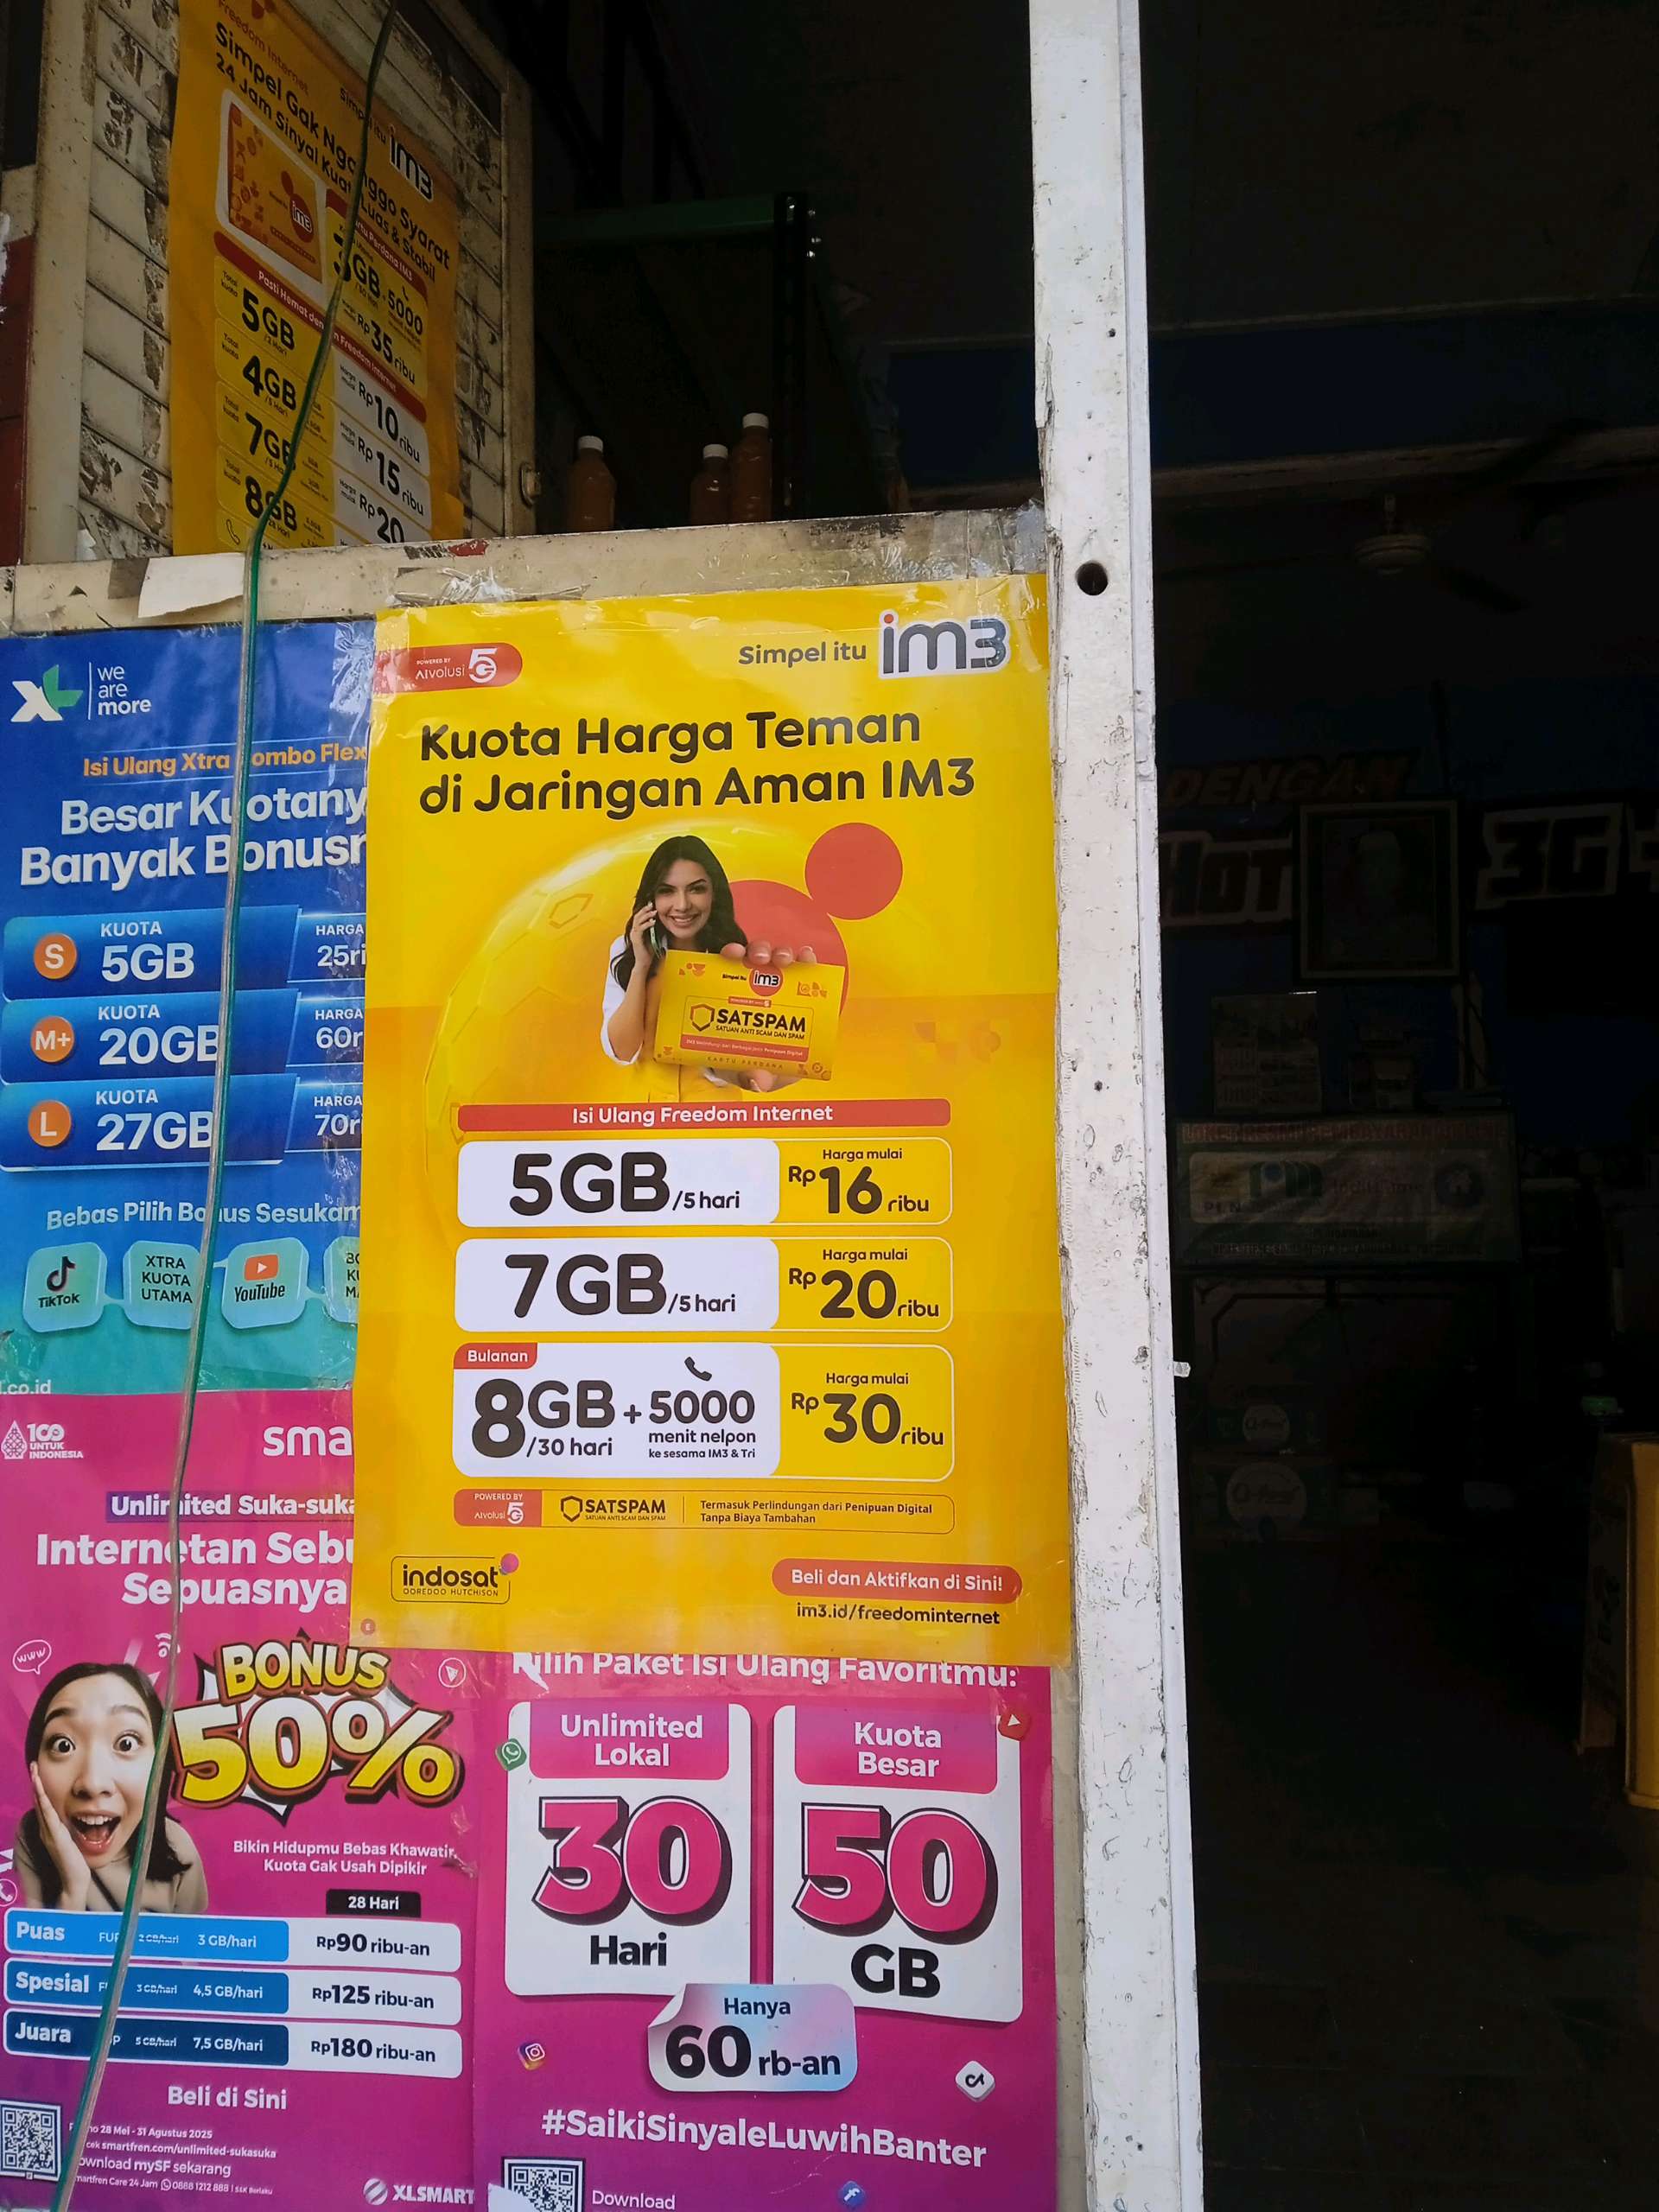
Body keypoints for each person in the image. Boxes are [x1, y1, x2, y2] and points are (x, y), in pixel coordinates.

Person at [600, 833, 815, 1090]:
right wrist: (641, 966)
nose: (682, 905)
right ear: (651, 900)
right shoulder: (628, 951)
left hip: (715, 1110)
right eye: (666, 891)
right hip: (644, 1110)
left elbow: (738, 1061)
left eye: (696, 889)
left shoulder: (736, 957)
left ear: (714, 894)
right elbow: (622, 1051)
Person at [14, 1662, 207, 1913]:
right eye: (63, 1745)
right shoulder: (30, 1837)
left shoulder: (177, 1847)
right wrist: (73, 1890)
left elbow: (193, 1937)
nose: (93, 1784)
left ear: (160, 1763)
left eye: (126, 1744)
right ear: (35, 1763)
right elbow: (34, 1938)